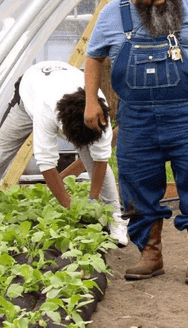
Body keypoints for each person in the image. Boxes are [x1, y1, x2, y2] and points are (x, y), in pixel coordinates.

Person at [83, 0, 188, 284]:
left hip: (187, 113)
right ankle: (150, 253)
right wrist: (91, 101)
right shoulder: (112, 14)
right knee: (136, 186)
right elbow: (93, 57)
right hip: (136, 118)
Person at [0, 60, 128, 245]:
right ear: (64, 130)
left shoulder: (99, 113)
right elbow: (46, 163)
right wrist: (68, 204)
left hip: (66, 88)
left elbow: (100, 159)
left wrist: (92, 201)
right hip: (31, 89)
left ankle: (115, 216)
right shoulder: (45, 111)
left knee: (93, 157)